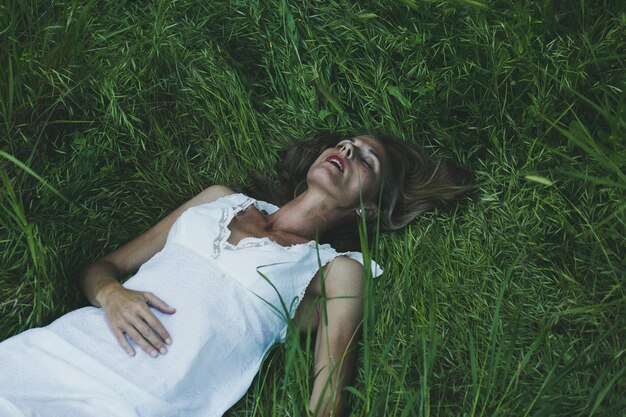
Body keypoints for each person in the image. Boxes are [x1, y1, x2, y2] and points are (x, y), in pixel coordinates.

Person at [0, 133, 473, 417]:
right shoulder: (217, 200)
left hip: (143, 404)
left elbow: (327, 399)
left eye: (366, 159)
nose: (347, 149)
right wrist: (111, 295)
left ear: (371, 209)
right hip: (53, 355)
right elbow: (104, 269)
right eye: (345, 143)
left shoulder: (337, 270)